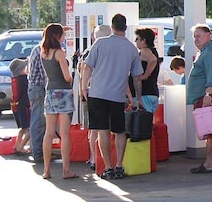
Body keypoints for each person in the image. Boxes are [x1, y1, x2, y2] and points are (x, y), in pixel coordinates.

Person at [80, 14, 144, 180]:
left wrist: (83, 88)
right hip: (117, 96)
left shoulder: (100, 43)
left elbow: (87, 67)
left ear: (112, 26)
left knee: (103, 131)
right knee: (120, 131)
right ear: (126, 27)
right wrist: (138, 98)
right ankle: (119, 165)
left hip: (97, 93)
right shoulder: (131, 49)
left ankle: (108, 167)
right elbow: (137, 78)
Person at [185, 23, 212, 174]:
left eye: (198, 36)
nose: (195, 40)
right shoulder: (209, 50)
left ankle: (209, 162)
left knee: (210, 129)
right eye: (194, 37)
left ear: (208, 36)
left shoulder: (210, 51)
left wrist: (208, 94)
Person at [40, 23, 77, 180]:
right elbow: (67, 77)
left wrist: (62, 28)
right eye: (62, 35)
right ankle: (66, 170)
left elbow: (47, 32)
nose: (64, 37)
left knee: (49, 133)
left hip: (50, 92)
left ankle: (46, 170)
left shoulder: (43, 52)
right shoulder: (59, 53)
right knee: (64, 133)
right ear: (57, 37)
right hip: (63, 92)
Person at [78, 24, 110, 170]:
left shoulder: (89, 51)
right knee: (100, 129)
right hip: (102, 92)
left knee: (95, 128)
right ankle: (95, 158)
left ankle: (94, 158)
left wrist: (83, 90)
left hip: (92, 93)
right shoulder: (107, 51)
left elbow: (82, 71)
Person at [26, 41, 47, 164]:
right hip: (39, 88)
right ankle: (38, 152)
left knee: (38, 120)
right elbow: (45, 76)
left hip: (35, 88)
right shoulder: (42, 51)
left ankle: (38, 151)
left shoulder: (37, 49)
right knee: (39, 121)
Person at [132, 27, 161, 114]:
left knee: (142, 123)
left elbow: (153, 60)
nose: (135, 41)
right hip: (151, 92)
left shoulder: (145, 51)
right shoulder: (153, 51)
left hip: (145, 93)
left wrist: (145, 75)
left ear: (144, 40)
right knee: (147, 122)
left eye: (137, 39)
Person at [9, 58, 31, 155]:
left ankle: (17, 146)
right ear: (20, 70)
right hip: (24, 107)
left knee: (22, 128)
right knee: (29, 129)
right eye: (24, 68)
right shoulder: (23, 79)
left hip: (16, 106)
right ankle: (21, 147)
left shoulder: (15, 79)